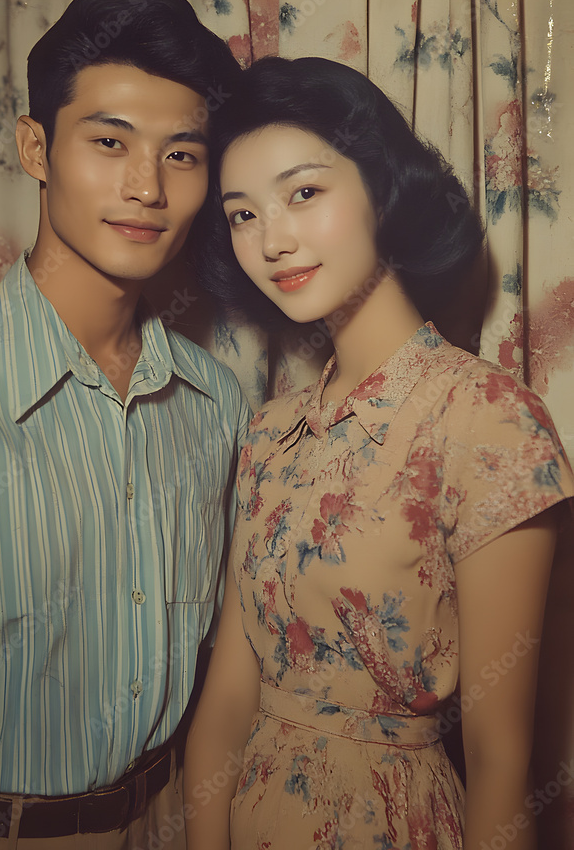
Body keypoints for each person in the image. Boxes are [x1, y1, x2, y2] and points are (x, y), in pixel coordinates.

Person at [0, 0, 250, 850]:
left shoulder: (217, 402)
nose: (145, 187)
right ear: (36, 148)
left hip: (174, 818)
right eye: (109, 141)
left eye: (180, 154)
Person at [183, 56, 574, 849]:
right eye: (242, 214)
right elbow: (223, 706)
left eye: (302, 193)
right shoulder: (267, 434)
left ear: (382, 190)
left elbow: (501, 761)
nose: (272, 240)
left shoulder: (487, 421)